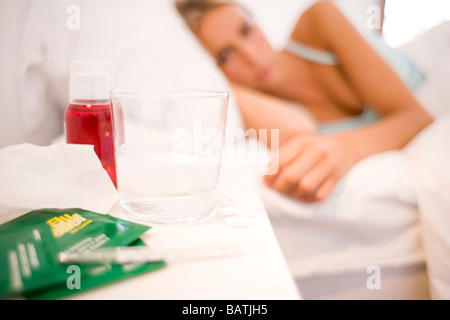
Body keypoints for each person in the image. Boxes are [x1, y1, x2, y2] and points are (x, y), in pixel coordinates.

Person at [175, 0, 433, 202]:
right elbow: (298, 132)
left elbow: (418, 119)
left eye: (246, 30)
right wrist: (225, 84)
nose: (252, 57)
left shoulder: (319, 20)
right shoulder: (255, 105)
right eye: (226, 55)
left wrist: (344, 148)